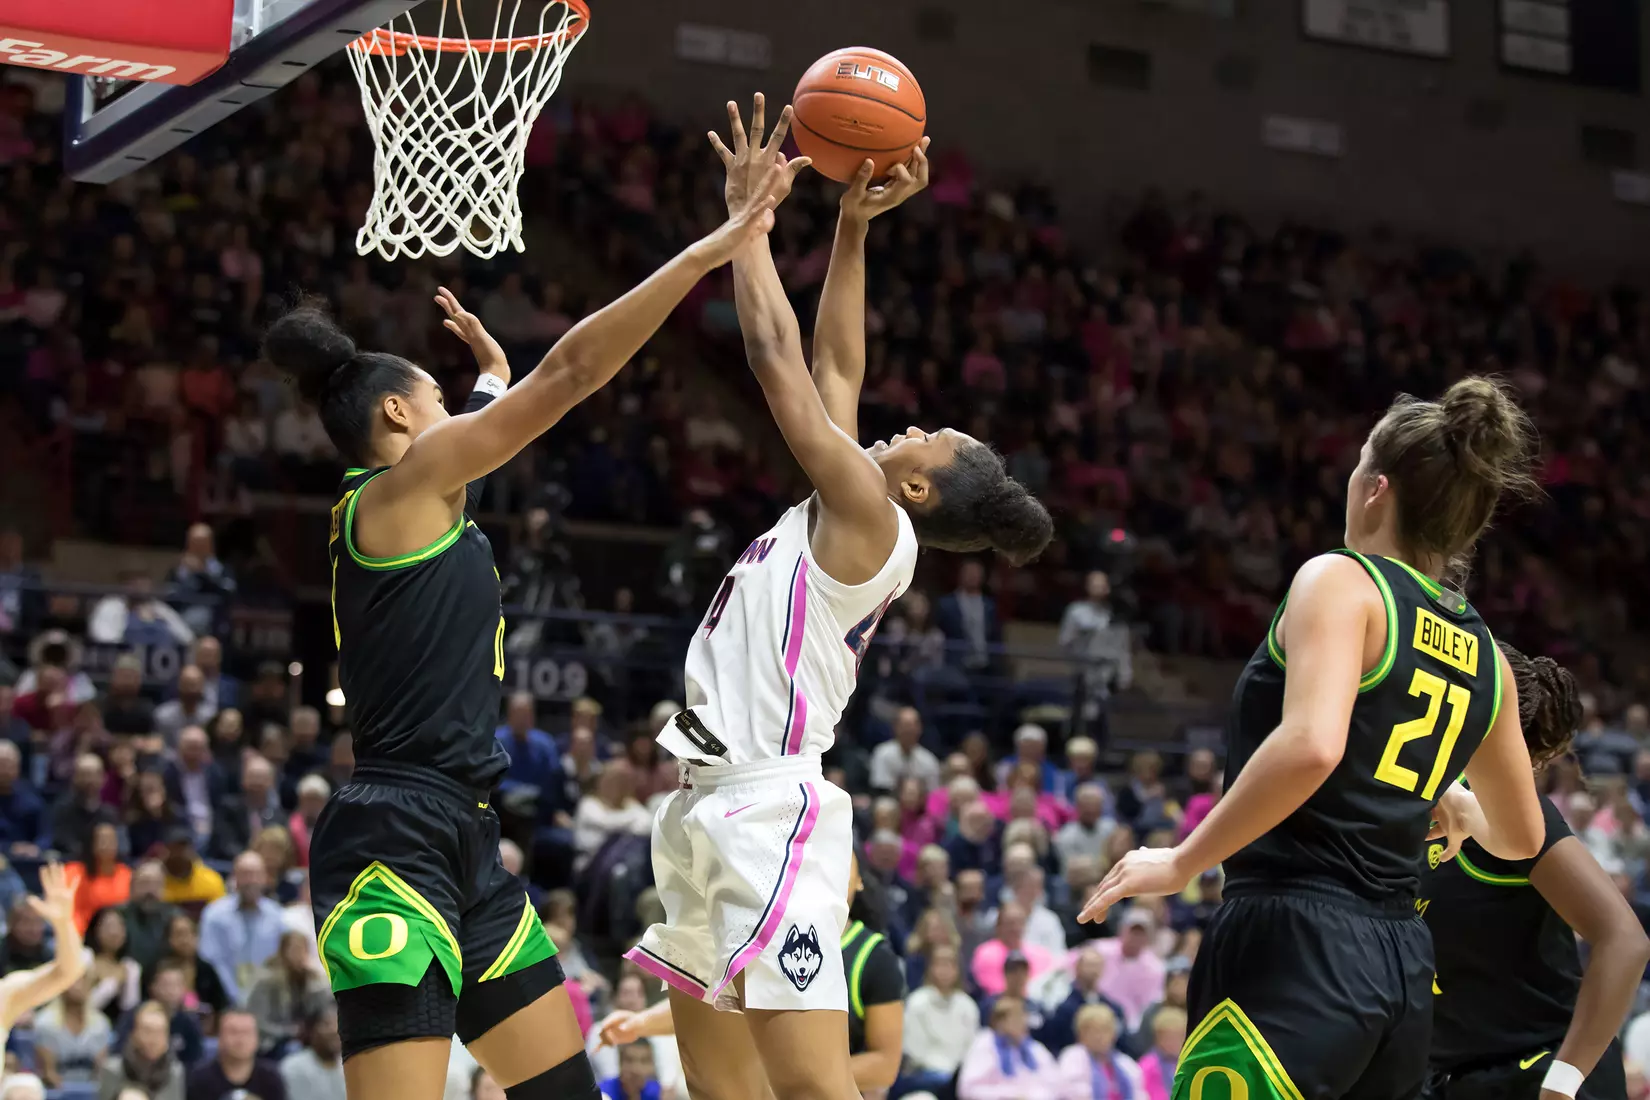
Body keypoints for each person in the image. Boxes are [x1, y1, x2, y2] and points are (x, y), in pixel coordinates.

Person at [274, 139, 786, 1100]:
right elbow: (571, 377)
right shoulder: (392, 494)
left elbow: (497, 409)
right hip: (389, 836)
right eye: (439, 403)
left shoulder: (420, 493)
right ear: (397, 416)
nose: (461, 420)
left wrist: (487, 376)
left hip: (465, 830)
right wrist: (710, 249)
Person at [625, 94, 1045, 1100]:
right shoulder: (852, 505)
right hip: (703, 806)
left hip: (771, 806)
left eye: (937, 439)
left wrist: (749, 227)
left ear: (918, 488)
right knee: (722, 1091)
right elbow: (835, 365)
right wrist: (851, 229)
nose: (916, 427)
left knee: (814, 1090)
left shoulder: (868, 517)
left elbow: (780, 365)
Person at [1080, 378, 1550, 1099]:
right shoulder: (1486, 651)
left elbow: (1313, 746)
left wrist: (1184, 861)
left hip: (1295, 939)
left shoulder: (1342, 581)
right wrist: (1444, 787)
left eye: (1359, 462)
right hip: (1400, 964)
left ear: (1376, 490)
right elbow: (1519, 837)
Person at [1423, 644, 1650, 1100]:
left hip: (1539, 1069)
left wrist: (1562, 1084)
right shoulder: (1401, 805)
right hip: (1456, 1078)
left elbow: (1624, 939)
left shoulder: (1504, 810)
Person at [601, 850, 907, 1099]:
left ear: (859, 882)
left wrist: (796, 1080)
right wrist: (639, 1023)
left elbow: (885, 1064)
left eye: (839, 866)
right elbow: (719, 1001)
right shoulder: (765, 939)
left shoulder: (873, 957)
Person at [197, 849, 285, 1003]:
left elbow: (281, 963)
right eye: (245, 874)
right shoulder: (214, 915)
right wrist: (232, 1000)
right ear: (234, 877)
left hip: (268, 1003)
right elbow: (211, 963)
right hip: (223, 1001)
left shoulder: (277, 916)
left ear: (265, 878)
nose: (250, 880)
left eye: (256, 874)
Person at [900, 943, 977, 1100]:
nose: (944, 970)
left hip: (959, 1076)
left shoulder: (967, 1005)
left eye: (949, 964)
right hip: (923, 1076)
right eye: (940, 964)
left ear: (957, 969)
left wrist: (958, 1072)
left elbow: (971, 1048)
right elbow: (913, 1050)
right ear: (930, 968)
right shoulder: (917, 1002)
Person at [246, 929, 332, 1056]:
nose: (299, 955)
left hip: (305, 1042)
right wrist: (289, 1032)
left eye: (303, 950)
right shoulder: (265, 981)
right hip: (271, 1044)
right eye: (295, 950)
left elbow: (323, 1012)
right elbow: (258, 1022)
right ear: (283, 952)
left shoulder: (310, 979)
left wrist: (316, 982)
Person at [957, 996, 1061, 1100]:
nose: (1023, 1022)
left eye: (1023, 1016)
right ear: (999, 1022)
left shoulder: (1034, 1048)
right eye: (1016, 1018)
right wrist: (1009, 1095)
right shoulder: (985, 1044)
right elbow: (968, 1089)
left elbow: (1056, 1083)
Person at [185, 1006, 288, 1100]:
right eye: (233, 1032)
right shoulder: (200, 1080)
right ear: (219, 1037)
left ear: (257, 1038)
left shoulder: (271, 1078)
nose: (240, 1039)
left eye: (246, 1032)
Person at [1055, 1003, 1144, 1100]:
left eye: (1105, 1030)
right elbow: (1073, 1093)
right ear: (1080, 1034)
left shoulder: (1125, 1064)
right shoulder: (1072, 1058)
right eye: (1093, 1031)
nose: (1099, 1037)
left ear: (1113, 1034)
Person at [98, 1001, 184, 1100]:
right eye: (147, 1031)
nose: (153, 1040)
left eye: (159, 1033)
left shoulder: (175, 1072)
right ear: (134, 1035)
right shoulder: (112, 1070)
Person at [66, 821, 133, 932]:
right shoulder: (74, 873)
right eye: (102, 840)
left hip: (116, 936)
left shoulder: (127, 874)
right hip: (81, 934)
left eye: (111, 840)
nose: (107, 845)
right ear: (91, 843)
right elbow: (69, 911)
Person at [280, 1005, 347, 1100]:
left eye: (339, 1024)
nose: (334, 1031)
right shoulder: (294, 1067)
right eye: (327, 1024)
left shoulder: (348, 1066)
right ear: (312, 1030)